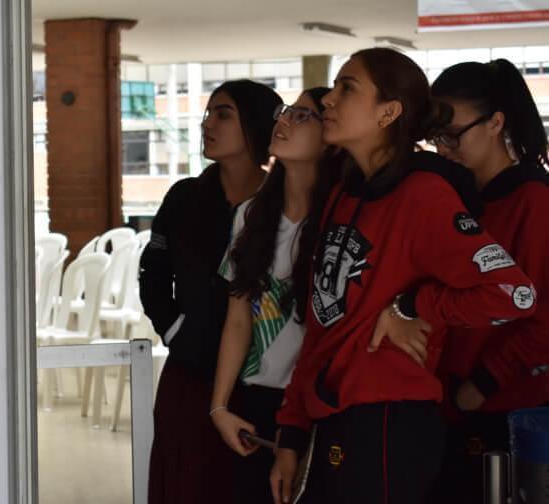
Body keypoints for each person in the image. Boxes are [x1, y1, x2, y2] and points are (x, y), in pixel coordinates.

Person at [269, 48, 537, 504]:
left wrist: (412, 306)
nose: (328, 99)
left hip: (389, 424)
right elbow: (323, 323)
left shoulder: (424, 195)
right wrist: (291, 431)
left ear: (388, 112)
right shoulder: (344, 195)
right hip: (332, 422)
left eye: (347, 88)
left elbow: (515, 294)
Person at [139, 79, 282, 504]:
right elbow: (153, 274)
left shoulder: (282, 201)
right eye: (208, 114)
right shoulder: (185, 197)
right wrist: (175, 331)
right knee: (185, 483)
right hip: (191, 371)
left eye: (223, 114)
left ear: (255, 125)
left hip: (261, 379)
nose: (207, 125)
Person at [414, 60, 548, 504]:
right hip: (448, 401)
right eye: (437, 137)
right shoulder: (453, 196)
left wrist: (484, 382)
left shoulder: (533, 200)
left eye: (454, 135)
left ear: (495, 123)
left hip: (507, 409)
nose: (444, 148)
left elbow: (542, 316)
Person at [211, 88, 342, 504]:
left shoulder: (342, 219)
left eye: (302, 116)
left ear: (330, 137)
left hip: (318, 405)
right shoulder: (250, 215)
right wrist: (220, 407)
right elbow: (238, 317)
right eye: (286, 112)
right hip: (255, 402)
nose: (283, 121)